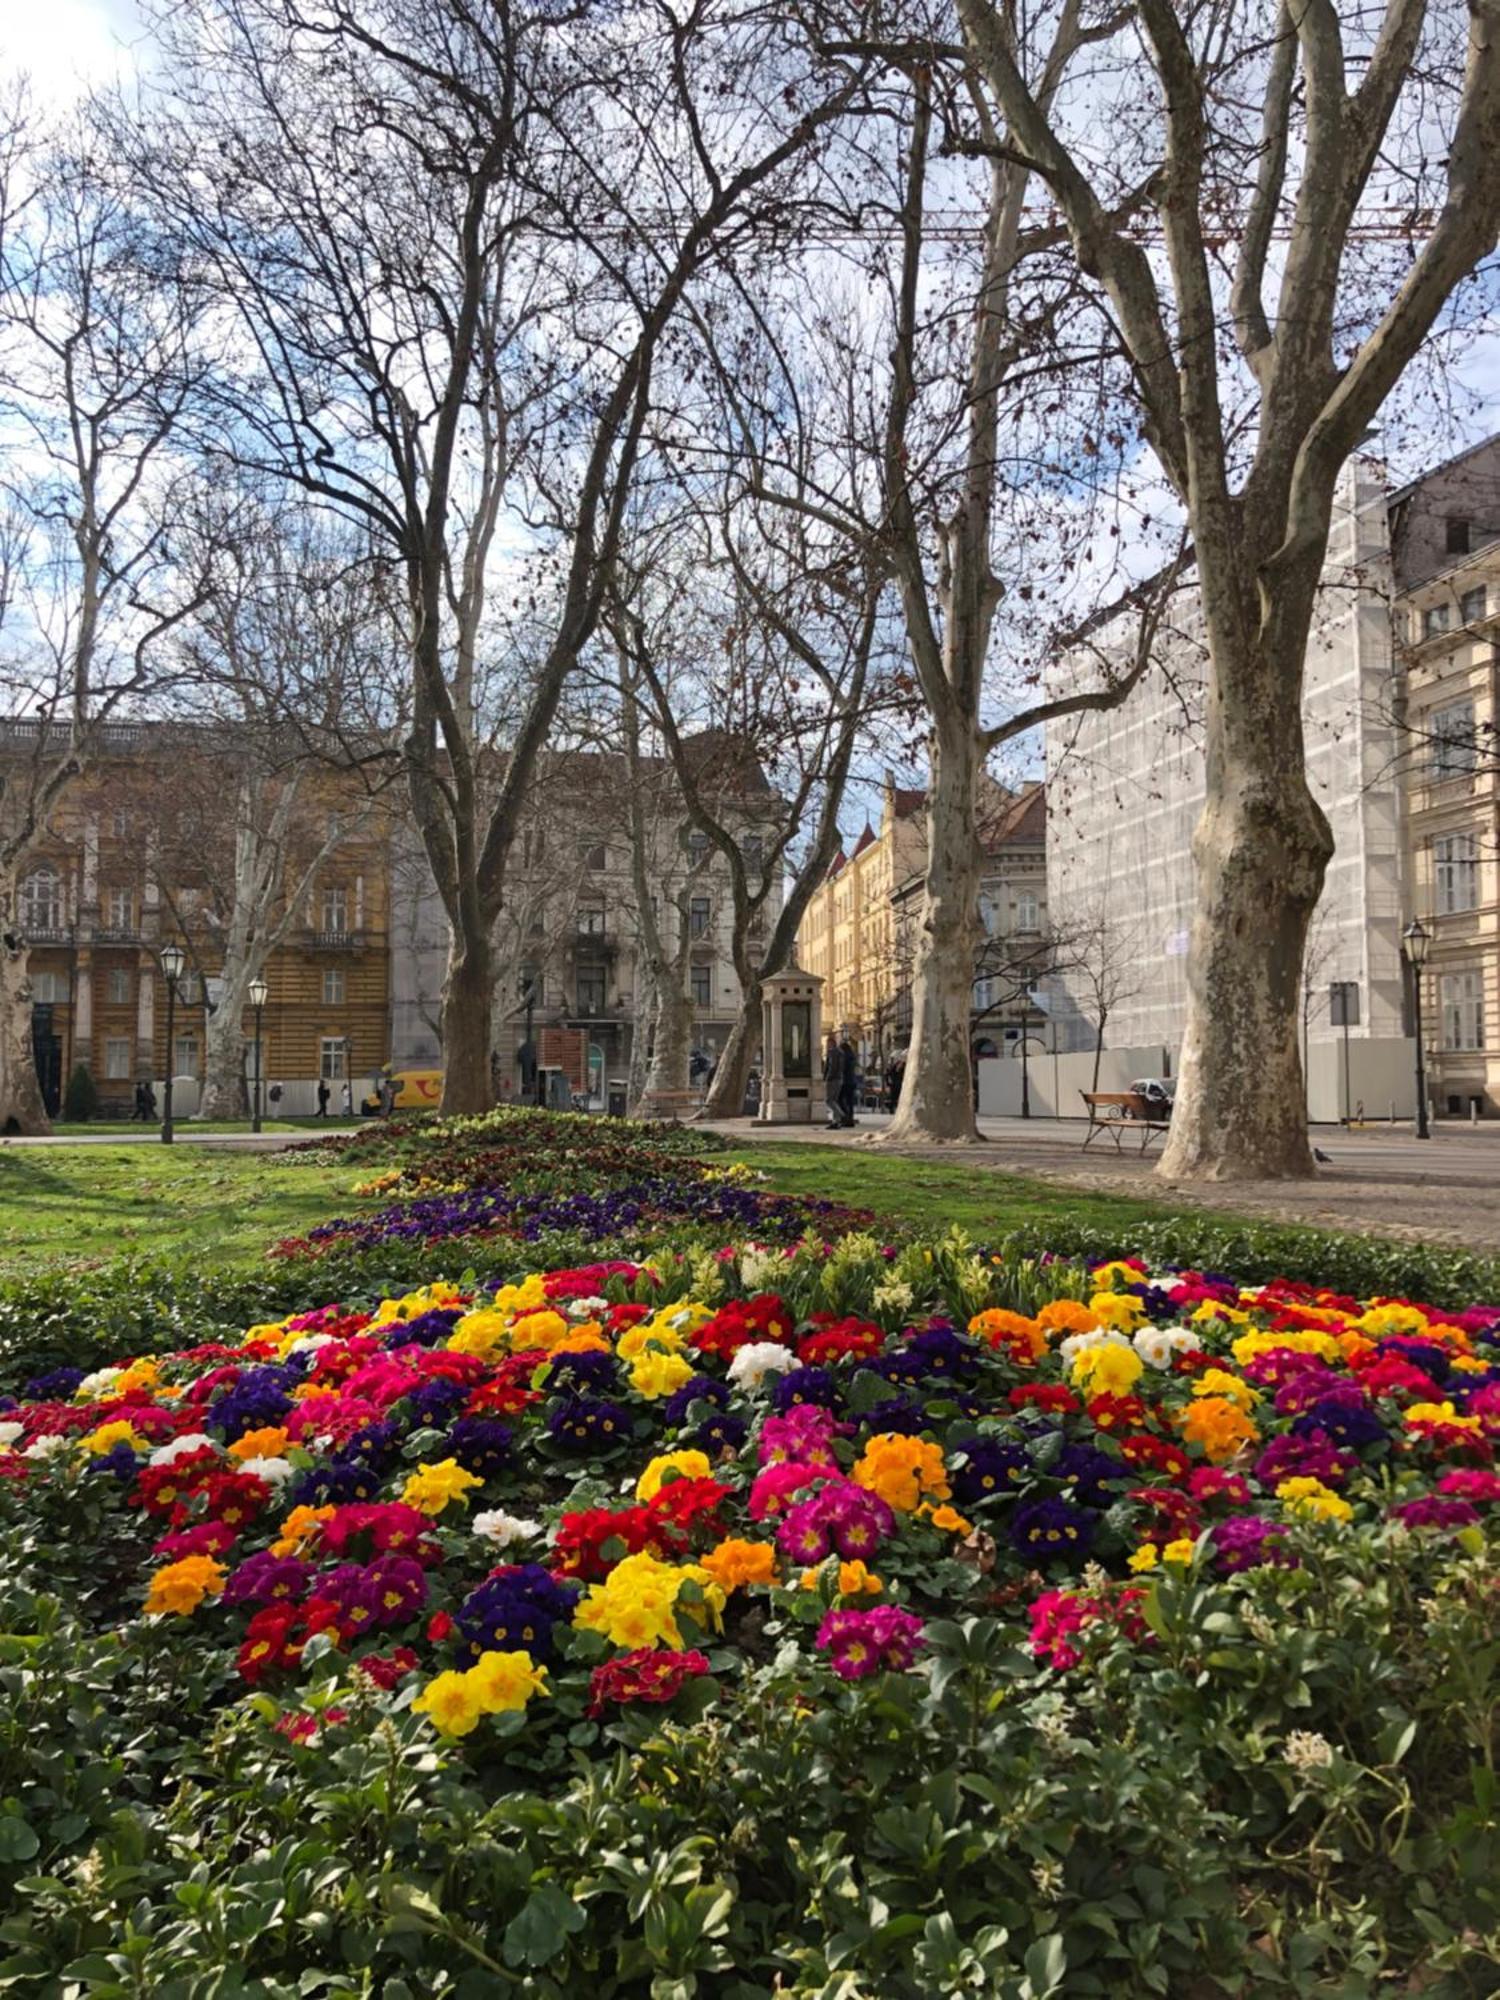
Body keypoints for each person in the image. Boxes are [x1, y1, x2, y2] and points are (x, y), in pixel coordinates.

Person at [837, 1035, 858, 1129]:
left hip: (845, 1081)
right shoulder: (852, 1057)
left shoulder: (844, 1057)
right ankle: (850, 1118)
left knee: (839, 1099)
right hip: (852, 1081)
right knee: (850, 1101)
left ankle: (845, 1117)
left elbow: (842, 1069)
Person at [823, 1032, 842, 1128]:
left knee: (829, 1100)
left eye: (827, 1043)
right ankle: (836, 1122)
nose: (826, 1045)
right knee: (834, 1100)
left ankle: (840, 1115)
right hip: (839, 1079)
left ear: (831, 1043)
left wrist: (827, 1078)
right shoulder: (840, 1052)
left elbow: (831, 1067)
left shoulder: (832, 1052)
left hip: (833, 1079)